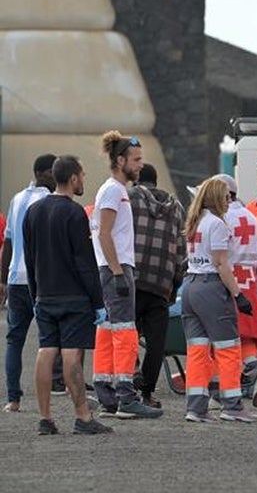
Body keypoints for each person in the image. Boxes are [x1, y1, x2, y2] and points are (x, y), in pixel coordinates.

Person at [23, 155, 112, 434]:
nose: (83, 179)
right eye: (82, 175)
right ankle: (83, 417)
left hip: (45, 295)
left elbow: (29, 258)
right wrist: (98, 302)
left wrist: (35, 293)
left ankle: (45, 418)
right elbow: (84, 263)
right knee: (72, 356)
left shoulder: (33, 211)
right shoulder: (75, 214)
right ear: (73, 178)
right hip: (74, 297)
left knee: (45, 351)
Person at [90, 130, 162, 419]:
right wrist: (119, 273)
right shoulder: (113, 191)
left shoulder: (114, 190)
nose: (140, 164)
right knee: (124, 332)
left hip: (112, 268)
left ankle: (106, 392)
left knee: (109, 330)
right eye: (136, 159)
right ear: (120, 160)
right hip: (115, 268)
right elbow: (104, 234)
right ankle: (125, 396)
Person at [181, 177, 256, 423]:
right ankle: (232, 405)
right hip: (211, 288)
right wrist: (238, 295)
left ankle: (196, 407)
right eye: (226, 197)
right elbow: (221, 264)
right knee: (228, 348)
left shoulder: (195, 222)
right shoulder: (217, 225)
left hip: (190, 287)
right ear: (216, 198)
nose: (229, 201)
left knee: (197, 351)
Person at [1, 154, 67, 412]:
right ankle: (54, 387)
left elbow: (7, 244)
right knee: (49, 340)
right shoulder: (49, 201)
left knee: (14, 340)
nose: (57, 177)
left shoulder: (16, 199)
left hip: (15, 280)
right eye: (54, 172)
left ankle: (13, 399)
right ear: (42, 174)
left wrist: (1, 279)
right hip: (41, 280)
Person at [128, 163, 186, 409]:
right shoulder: (177, 208)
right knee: (156, 342)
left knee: (125, 332)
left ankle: (132, 371)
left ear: (136, 181)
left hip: (131, 279)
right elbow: (181, 252)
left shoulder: (129, 199)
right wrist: (174, 286)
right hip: (161, 283)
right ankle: (148, 394)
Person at [211, 173, 257, 407]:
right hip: (250, 282)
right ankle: (255, 368)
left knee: (220, 340)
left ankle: (220, 392)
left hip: (229, 282)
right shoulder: (250, 216)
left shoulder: (221, 218)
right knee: (245, 336)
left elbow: (218, 256)